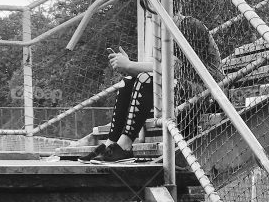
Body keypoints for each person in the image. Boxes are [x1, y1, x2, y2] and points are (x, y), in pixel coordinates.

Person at [83, 14, 224, 163]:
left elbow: (173, 68)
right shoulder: (165, 31)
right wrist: (129, 67)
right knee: (128, 81)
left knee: (146, 79)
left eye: (152, 8)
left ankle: (125, 147)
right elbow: (160, 69)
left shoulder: (190, 25)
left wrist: (130, 65)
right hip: (185, 87)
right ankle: (111, 143)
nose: (149, 15)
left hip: (210, 92)